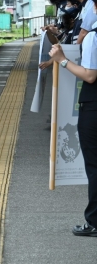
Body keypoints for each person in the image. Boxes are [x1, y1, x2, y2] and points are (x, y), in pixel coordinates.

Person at [49, 31, 97, 236]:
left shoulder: (94, 37)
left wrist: (62, 60)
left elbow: (90, 75)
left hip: (94, 107)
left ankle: (95, 221)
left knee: (95, 165)